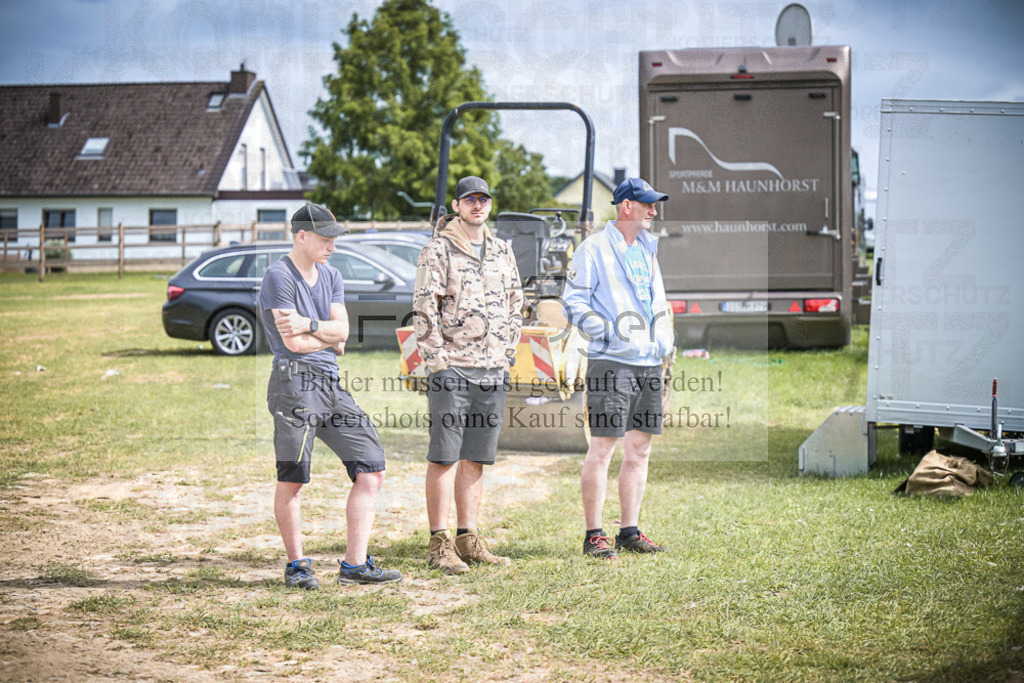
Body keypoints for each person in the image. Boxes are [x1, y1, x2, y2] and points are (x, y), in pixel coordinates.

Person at [259, 203, 402, 589]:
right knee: (293, 480)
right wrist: (326, 335)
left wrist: (313, 327)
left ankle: (354, 566)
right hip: (295, 386)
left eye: (335, 238)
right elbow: (293, 342)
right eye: (325, 238)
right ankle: (297, 566)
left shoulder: (332, 275)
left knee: (372, 469)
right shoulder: (278, 276)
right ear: (301, 236)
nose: (333, 246)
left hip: (330, 384)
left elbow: (343, 332)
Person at [413, 176, 523, 574]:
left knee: (475, 458)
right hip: (453, 369)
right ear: (457, 206)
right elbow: (424, 309)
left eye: (483, 199)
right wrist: (438, 362)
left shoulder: (502, 249)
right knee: (444, 456)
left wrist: (507, 351)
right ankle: (439, 542)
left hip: (492, 369)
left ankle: (468, 537)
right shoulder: (438, 249)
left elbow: (516, 302)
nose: (477, 205)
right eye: (469, 199)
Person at [561, 177, 675, 560]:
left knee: (639, 449)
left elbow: (658, 302)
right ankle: (595, 535)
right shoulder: (592, 248)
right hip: (611, 362)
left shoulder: (648, 250)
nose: (653, 211)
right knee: (603, 448)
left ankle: (629, 531)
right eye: (647, 205)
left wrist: (665, 341)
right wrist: (608, 333)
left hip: (648, 363)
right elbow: (573, 302)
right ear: (627, 206)